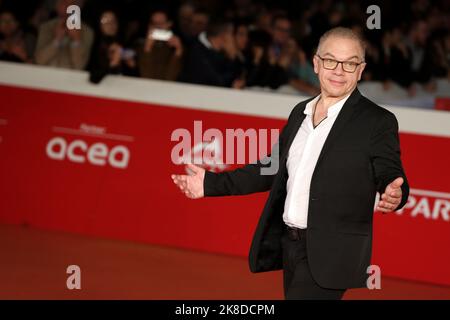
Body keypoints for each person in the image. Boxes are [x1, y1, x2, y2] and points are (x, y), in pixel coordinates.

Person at [171, 27, 409, 300]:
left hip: (332, 252)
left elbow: (389, 169)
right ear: (317, 64)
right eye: (330, 60)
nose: (339, 70)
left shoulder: (377, 121)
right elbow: (270, 168)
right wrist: (210, 183)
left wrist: (394, 192)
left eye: (350, 63)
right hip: (291, 246)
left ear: (361, 69)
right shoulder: (301, 113)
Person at [34, 0, 94, 70]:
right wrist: (56, 41)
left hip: (69, 79)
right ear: (57, 6)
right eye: (64, 2)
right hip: (44, 77)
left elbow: (79, 66)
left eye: (72, 4)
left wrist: (76, 41)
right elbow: (38, 61)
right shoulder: (46, 27)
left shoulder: (87, 32)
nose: (68, 7)